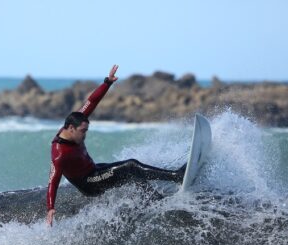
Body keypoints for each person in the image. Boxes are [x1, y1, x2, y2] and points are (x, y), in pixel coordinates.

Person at [46, 65, 186, 226]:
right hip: (89, 183)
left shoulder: (74, 124)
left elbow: (91, 101)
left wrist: (107, 82)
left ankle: (155, 201)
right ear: (70, 129)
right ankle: (177, 177)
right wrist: (51, 207)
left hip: (94, 170)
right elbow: (53, 180)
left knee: (131, 175)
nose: (85, 134)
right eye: (83, 131)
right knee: (131, 166)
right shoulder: (59, 154)